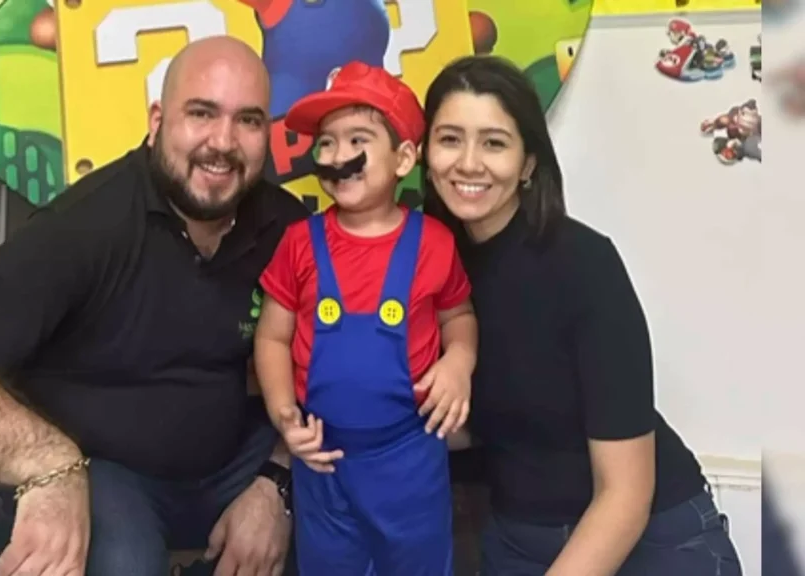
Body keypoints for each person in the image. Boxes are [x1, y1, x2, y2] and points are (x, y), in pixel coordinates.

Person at [0, 36, 311, 576]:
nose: (222, 142)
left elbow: (338, 373)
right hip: (93, 465)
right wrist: (49, 465)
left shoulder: (288, 227)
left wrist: (277, 484)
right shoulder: (87, 224)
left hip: (227, 462)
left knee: (343, 496)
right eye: (201, 113)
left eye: (248, 120)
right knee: (125, 563)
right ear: (157, 121)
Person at [421, 55, 744, 575]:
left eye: (494, 143)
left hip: (646, 536)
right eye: (450, 139)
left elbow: (625, 495)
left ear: (528, 163)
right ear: (424, 152)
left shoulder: (582, 263)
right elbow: (459, 420)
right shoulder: (424, 266)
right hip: (517, 537)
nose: (469, 163)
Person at [254, 61, 478, 575]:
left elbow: (458, 315)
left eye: (357, 139)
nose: (338, 156)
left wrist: (459, 360)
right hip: (323, 462)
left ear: (404, 158)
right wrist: (284, 415)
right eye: (326, 143)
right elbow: (271, 338)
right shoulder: (299, 243)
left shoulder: (435, 243)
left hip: (410, 460)